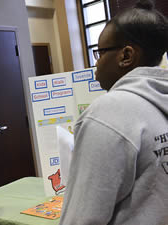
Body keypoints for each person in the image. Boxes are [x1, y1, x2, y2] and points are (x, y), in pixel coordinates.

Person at [59, 0, 168, 224]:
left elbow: (82, 218)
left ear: (126, 55)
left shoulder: (108, 113)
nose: (96, 65)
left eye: (99, 53)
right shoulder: (160, 99)